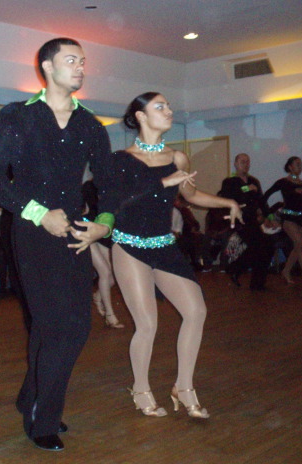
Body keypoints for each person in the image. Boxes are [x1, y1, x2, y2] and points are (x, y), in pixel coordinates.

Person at [0, 37, 114, 452]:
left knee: (73, 326)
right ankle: (43, 419)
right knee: (56, 325)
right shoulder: (17, 116)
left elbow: (109, 184)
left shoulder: (90, 124)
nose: (80, 67)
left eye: (83, 61)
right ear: (46, 66)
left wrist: (103, 224)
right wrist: (39, 213)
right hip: (32, 230)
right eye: (71, 60)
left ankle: (31, 397)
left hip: (75, 232)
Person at [111, 91, 242, 420]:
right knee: (147, 324)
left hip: (163, 245)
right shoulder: (121, 159)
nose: (168, 111)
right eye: (160, 107)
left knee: (196, 311)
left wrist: (227, 202)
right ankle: (140, 388)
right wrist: (163, 181)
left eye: (168, 106)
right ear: (141, 116)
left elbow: (191, 194)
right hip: (129, 245)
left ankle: (183, 387)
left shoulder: (178, 158)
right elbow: (120, 202)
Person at [219, 153, 278, 289]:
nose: (245, 164)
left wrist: (270, 218)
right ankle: (241, 273)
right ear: (235, 164)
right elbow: (227, 197)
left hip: (252, 220)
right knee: (259, 246)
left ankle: (242, 273)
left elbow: (262, 201)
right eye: (242, 161)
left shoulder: (254, 181)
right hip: (238, 220)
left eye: (247, 162)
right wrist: (246, 189)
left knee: (267, 246)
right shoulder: (229, 181)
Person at [262, 156, 302, 287]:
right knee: (300, 245)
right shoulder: (283, 182)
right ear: (290, 167)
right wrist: (269, 216)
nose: (299, 166)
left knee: (298, 247)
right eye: (297, 164)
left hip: (300, 218)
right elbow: (265, 196)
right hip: (287, 218)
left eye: (301, 164)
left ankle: (286, 271)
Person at [82, 179, 124, 329]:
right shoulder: (89, 186)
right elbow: (83, 210)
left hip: (107, 234)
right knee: (105, 272)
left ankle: (98, 295)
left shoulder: (117, 184)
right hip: (91, 232)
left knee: (115, 274)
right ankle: (110, 315)